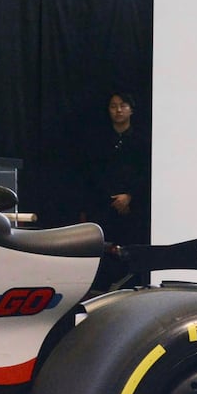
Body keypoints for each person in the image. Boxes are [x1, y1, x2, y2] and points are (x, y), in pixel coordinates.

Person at [85, 92, 150, 288]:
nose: (118, 110)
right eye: (113, 106)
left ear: (131, 109)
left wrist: (130, 196)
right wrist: (111, 198)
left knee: (133, 251)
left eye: (123, 105)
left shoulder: (143, 140)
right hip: (104, 205)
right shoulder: (98, 140)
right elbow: (92, 172)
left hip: (134, 207)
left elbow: (146, 172)